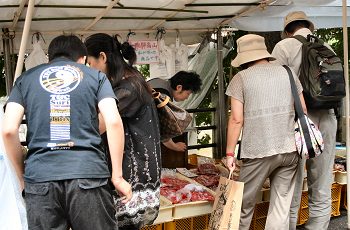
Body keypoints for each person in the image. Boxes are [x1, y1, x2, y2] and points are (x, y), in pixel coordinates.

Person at [2, 34, 132, 230]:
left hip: (40, 178)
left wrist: (22, 177)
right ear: (82, 59)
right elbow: (113, 121)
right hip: (88, 176)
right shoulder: (96, 77)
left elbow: (9, 131)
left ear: (50, 59)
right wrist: (118, 177)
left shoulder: (25, 79)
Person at [225, 34, 307, 230]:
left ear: (243, 58)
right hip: (289, 150)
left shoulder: (240, 78)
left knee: (243, 205)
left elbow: (236, 119)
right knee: (280, 206)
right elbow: (303, 110)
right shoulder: (288, 73)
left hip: (258, 151)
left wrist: (229, 153)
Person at [85, 33, 162, 230]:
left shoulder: (128, 87)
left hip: (134, 171)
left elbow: (97, 126)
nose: (89, 69)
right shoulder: (127, 79)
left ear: (102, 57)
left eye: (89, 62)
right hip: (130, 168)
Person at [271, 11, 337, 230]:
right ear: (309, 26)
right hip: (327, 117)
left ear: (287, 30)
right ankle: (318, 226)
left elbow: (277, 86)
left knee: (292, 181)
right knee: (322, 181)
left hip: (298, 120)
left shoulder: (284, 47)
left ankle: (290, 226)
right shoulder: (327, 47)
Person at [148, 71, 202, 152]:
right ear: (179, 87)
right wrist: (175, 146)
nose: (187, 97)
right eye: (188, 93)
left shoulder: (158, 82)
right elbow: (163, 131)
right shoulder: (163, 97)